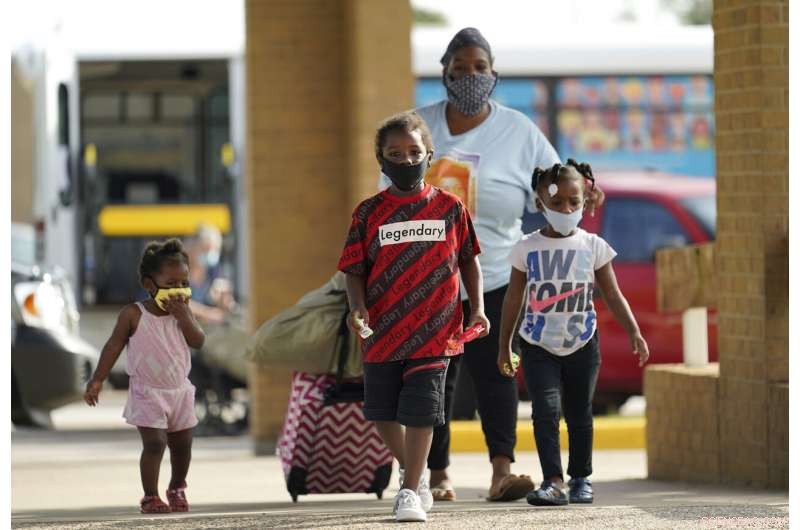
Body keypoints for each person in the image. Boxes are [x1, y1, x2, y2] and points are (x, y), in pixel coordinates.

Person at [398, 27, 605, 502]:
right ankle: (437, 475)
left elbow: (559, 183)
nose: (470, 76)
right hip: (427, 280)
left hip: (494, 274)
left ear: (494, 75)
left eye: (480, 68)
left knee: (497, 373)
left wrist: (588, 187)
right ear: (444, 72)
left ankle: (500, 472)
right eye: (461, 67)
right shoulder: (418, 128)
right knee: (434, 378)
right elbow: (390, 188)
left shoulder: (518, 131)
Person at [340, 111, 488, 522]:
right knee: (382, 413)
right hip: (382, 330)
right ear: (380, 159)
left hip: (435, 329)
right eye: (394, 154)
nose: (405, 161)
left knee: (422, 410)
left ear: (429, 154)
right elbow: (354, 270)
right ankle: (415, 471)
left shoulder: (450, 208)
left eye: (414, 152)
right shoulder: (367, 213)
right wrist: (357, 308)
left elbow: (470, 260)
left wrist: (475, 306)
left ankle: (407, 491)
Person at [498, 160, 649, 506]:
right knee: (545, 411)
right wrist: (505, 344)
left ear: (586, 201)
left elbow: (613, 294)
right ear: (540, 204)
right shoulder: (527, 248)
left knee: (580, 412)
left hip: (582, 342)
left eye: (573, 202)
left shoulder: (593, 245)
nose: (565, 209)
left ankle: (581, 477)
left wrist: (634, 333)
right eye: (556, 203)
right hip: (537, 344)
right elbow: (514, 297)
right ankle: (553, 480)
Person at [84, 239, 205, 513]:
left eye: (183, 283)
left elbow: (198, 341)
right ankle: (150, 496)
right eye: (171, 284)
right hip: (147, 391)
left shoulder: (183, 313)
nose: (178, 290)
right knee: (155, 443)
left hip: (179, 391)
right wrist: (98, 379)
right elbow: (113, 346)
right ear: (150, 285)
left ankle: (177, 487)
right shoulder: (133, 314)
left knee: (183, 445)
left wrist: (185, 317)